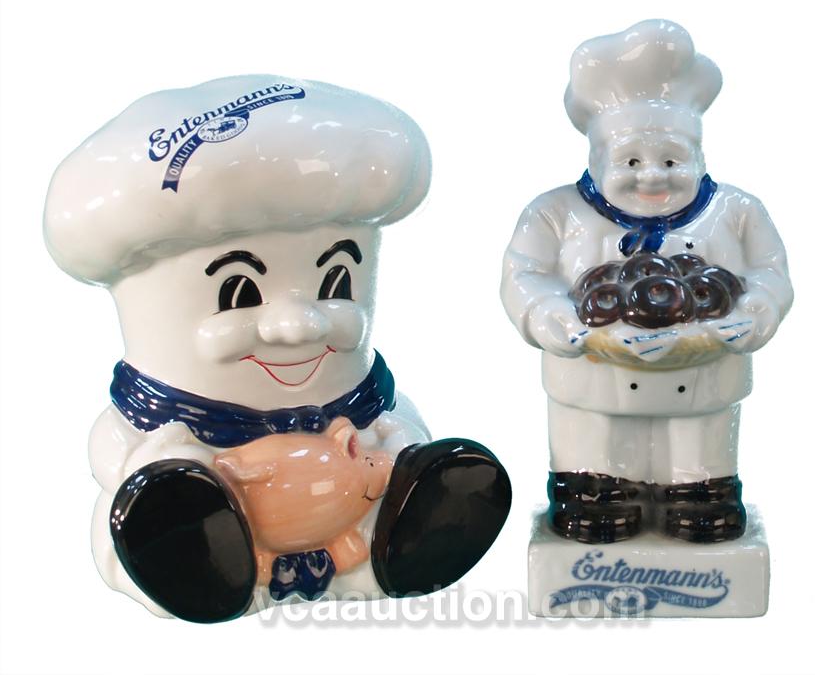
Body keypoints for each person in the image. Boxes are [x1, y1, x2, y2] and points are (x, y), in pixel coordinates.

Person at [44, 75, 512, 622]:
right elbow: (111, 452)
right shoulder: (162, 426)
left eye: (337, 281)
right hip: (212, 520)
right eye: (239, 293)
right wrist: (155, 466)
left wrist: (401, 447)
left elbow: (397, 428)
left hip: (356, 534)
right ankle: (197, 556)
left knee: (404, 468)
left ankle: (402, 542)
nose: (299, 325)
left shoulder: (366, 407)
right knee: (165, 505)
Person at [502, 19, 792, 544]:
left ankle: (699, 494)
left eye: (672, 159)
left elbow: (770, 272)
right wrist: (555, 318)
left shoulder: (737, 212)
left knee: (699, 455)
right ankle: (597, 492)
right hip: (592, 384)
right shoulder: (555, 213)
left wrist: (756, 311)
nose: (653, 175)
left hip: (704, 380)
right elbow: (524, 275)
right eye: (631, 160)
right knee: (596, 450)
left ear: (700, 156)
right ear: (596, 159)